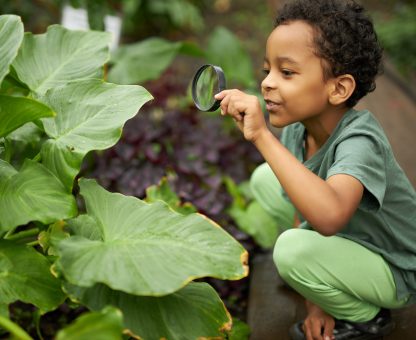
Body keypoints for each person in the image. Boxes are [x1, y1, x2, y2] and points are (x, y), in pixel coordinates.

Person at [214, 0, 416, 339]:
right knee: (267, 179)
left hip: (395, 268)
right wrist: (314, 301)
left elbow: (329, 217)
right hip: (352, 238)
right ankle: (321, 276)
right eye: (268, 71)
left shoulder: (360, 141)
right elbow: (302, 215)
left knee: (290, 251)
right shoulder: (299, 128)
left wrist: (262, 136)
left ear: (338, 88)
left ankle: (365, 316)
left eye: (287, 72)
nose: (267, 83)